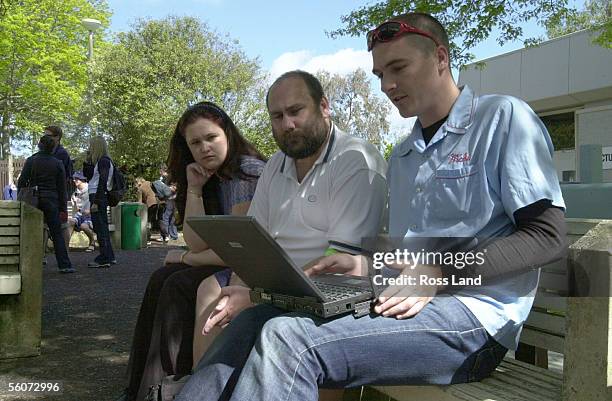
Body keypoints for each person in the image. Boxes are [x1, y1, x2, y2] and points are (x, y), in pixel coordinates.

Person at [177, 13, 567, 401]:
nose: (388, 85)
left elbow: (546, 237)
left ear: (441, 58)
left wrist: (438, 272)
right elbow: (410, 255)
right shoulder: (404, 154)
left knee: (289, 339)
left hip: (473, 323)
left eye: (398, 67)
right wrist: (366, 266)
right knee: (255, 319)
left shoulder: (501, 118)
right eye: (380, 74)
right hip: (401, 303)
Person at [178, 70, 388, 400]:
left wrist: (257, 297)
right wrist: (240, 287)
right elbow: (254, 241)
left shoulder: (354, 160)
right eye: (277, 116)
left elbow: (340, 277)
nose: (287, 124)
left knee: (276, 330)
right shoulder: (277, 164)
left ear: (324, 106)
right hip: (276, 293)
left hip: (331, 301)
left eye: (296, 111)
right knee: (220, 311)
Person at [118, 101, 267, 401]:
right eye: (195, 142)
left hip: (251, 268)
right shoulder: (209, 176)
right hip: (226, 261)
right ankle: (144, 388)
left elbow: (240, 251)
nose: (204, 148)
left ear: (227, 133)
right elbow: (197, 240)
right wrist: (195, 189)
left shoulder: (247, 174)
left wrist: (186, 257)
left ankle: (173, 387)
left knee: (179, 283)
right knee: (162, 277)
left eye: (211, 137)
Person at [18, 135, 75, 273]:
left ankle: (28, 264)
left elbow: (22, 182)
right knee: (56, 233)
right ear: (53, 147)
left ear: (39, 145)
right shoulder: (57, 163)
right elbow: (62, 188)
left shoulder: (31, 161)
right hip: (52, 200)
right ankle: (64, 265)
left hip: (33, 199)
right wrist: (63, 209)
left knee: (30, 233)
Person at [85, 136, 116, 268]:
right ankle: (109, 255)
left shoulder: (103, 161)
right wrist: (88, 160)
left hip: (98, 196)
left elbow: (102, 181)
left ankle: (104, 258)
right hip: (99, 195)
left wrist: (96, 201)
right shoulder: (102, 161)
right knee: (101, 226)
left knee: (100, 227)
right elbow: (88, 175)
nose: (89, 148)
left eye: (91, 146)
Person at [66, 171, 95, 252]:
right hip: (80, 215)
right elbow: (74, 208)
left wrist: (90, 210)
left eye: (76, 179)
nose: (74, 181)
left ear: (82, 180)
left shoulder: (90, 190)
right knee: (70, 221)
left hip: (91, 216)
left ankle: (92, 242)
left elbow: (97, 204)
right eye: (74, 179)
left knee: (84, 226)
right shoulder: (75, 193)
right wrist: (70, 216)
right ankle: (66, 246)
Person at [153, 165, 178, 242]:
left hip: (170, 199)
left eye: (160, 172)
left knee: (165, 217)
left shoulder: (168, 178)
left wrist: (168, 189)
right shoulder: (172, 177)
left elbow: (174, 188)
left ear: (163, 171)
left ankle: (165, 236)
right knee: (172, 218)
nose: (160, 174)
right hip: (174, 199)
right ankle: (173, 235)